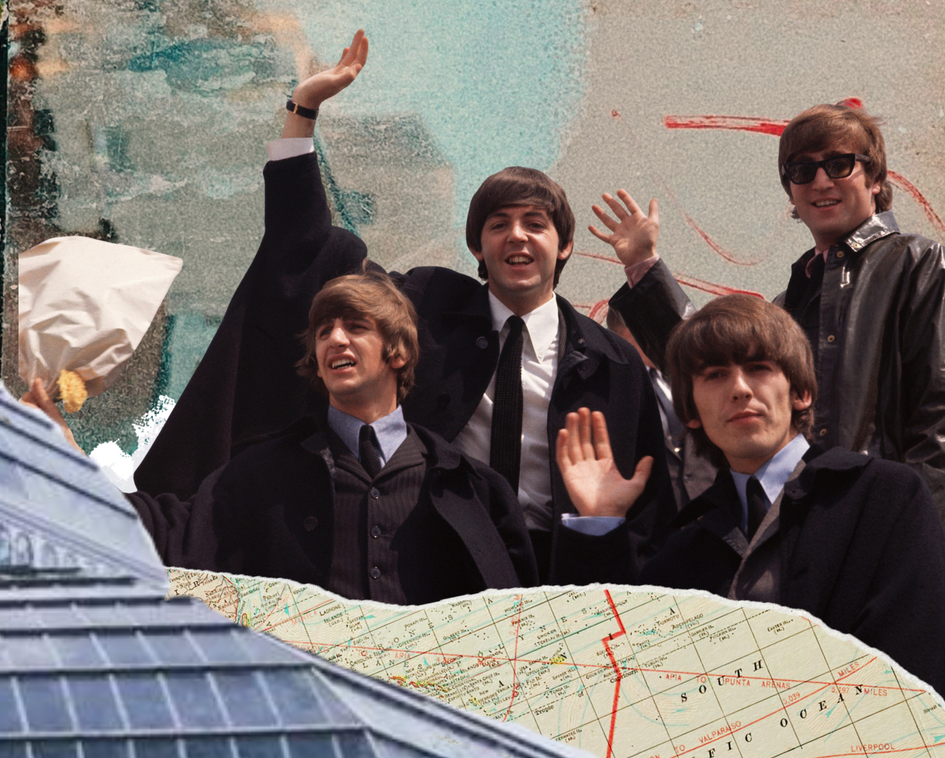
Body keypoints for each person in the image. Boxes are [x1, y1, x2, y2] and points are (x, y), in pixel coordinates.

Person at [134, 30, 675, 568]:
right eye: (498, 224)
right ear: (476, 248)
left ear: (565, 246)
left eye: (536, 224)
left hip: (561, 568)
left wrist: (643, 268)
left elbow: (648, 505)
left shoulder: (612, 363)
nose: (517, 236)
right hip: (429, 558)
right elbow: (311, 250)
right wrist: (304, 111)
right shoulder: (423, 306)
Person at [549, 294, 945, 695]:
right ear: (690, 412)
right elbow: (615, 671)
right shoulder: (683, 553)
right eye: (715, 375)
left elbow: (912, 667)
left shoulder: (882, 498)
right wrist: (598, 523)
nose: (739, 389)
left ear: (800, 392)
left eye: (759, 368)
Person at [596, 101, 945, 524]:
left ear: (875, 178)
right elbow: (702, 362)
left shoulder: (920, 264)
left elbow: (937, 417)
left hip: (881, 522)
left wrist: (916, 530)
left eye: (838, 165)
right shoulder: (790, 299)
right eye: (802, 170)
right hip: (795, 524)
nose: (820, 181)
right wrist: (642, 264)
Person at [118, 273, 536, 600]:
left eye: (355, 326)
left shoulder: (472, 489)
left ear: (398, 352)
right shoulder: (263, 474)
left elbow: (527, 623)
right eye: (323, 332)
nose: (335, 339)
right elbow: (172, 531)